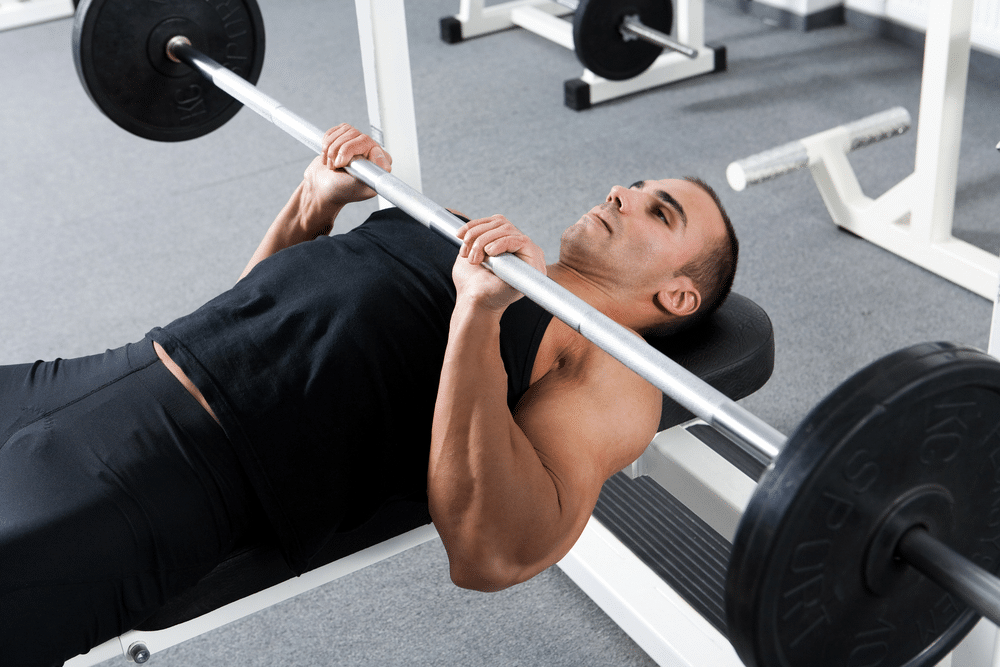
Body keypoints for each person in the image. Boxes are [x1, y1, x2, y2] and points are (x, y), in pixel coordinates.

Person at [0, 125, 737, 666]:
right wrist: (311, 206)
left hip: (172, 479)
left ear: (677, 294)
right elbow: (248, 314)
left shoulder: (613, 367)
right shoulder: (474, 238)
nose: (623, 194)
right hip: (109, 372)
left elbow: (495, 554)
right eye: (635, 185)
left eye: (658, 211)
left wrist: (477, 318)